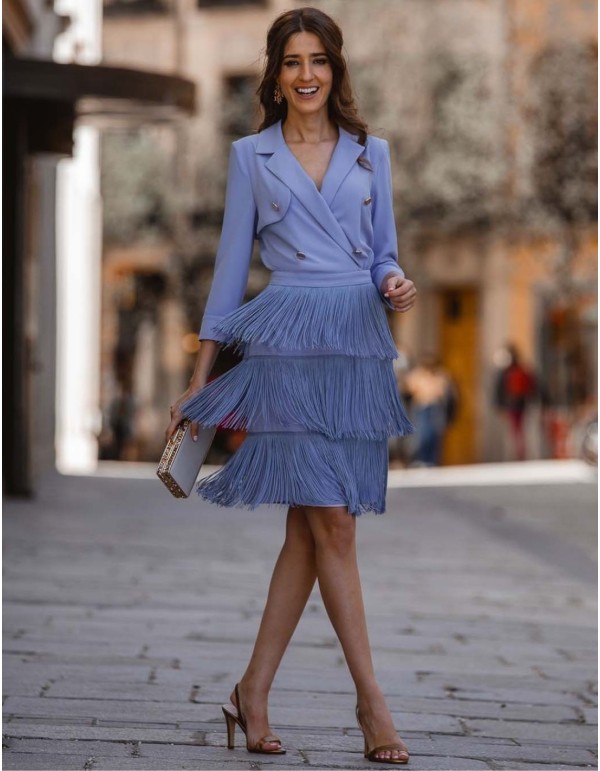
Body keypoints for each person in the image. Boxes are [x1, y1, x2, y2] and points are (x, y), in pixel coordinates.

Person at [166, 7, 416, 764]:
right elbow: (231, 269)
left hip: (354, 346)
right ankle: (373, 703)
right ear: (273, 75)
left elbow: (383, 253)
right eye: (291, 61)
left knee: (312, 529)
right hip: (284, 343)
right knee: (332, 521)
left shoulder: (373, 154)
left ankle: (252, 690)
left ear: (336, 70)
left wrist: (395, 280)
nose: (306, 75)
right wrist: (200, 379)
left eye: (319, 61)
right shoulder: (252, 156)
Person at [403, 354, 456, 466]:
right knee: (421, 436)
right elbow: (408, 388)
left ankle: (431, 461)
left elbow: (444, 391)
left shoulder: (441, 375)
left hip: (435, 409)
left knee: (434, 436)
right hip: (421, 408)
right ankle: (420, 460)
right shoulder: (417, 374)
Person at [494, 343, 537, 461]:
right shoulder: (522, 368)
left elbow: (499, 388)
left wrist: (500, 405)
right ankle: (521, 454)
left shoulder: (505, 371)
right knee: (520, 430)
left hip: (511, 405)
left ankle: (514, 455)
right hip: (521, 404)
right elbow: (532, 386)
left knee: (513, 431)